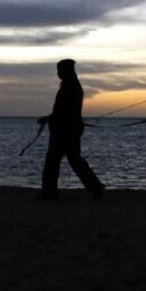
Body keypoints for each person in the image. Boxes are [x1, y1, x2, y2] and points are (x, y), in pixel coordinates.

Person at [37, 59, 105, 201]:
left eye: (60, 70)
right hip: (69, 129)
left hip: (65, 131)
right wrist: (49, 118)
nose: (58, 73)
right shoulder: (71, 86)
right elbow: (61, 111)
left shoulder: (70, 87)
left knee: (54, 161)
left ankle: (50, 194)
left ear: (66, 71)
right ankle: (96, 188)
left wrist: (51, 119)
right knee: (73, 159)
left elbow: (64, 111)